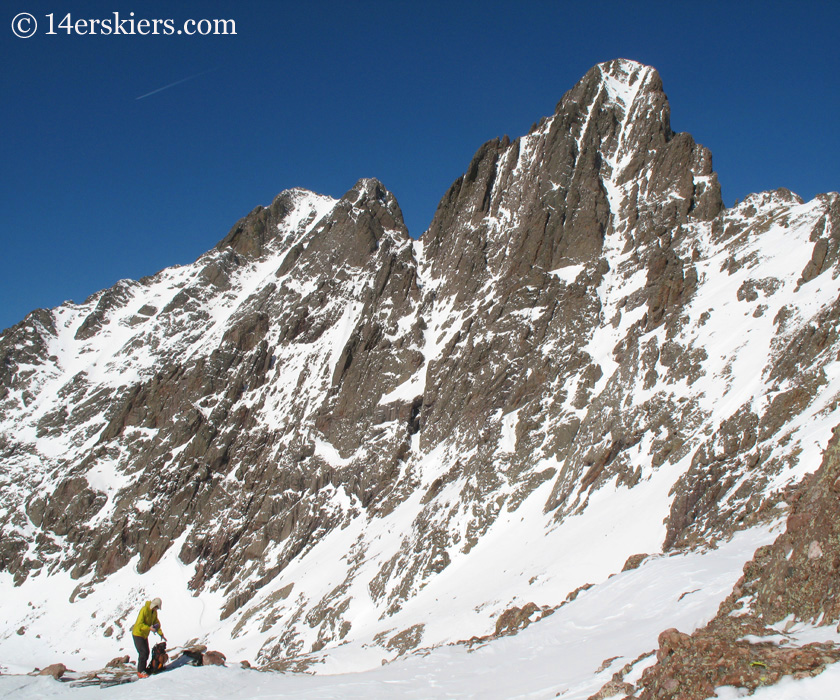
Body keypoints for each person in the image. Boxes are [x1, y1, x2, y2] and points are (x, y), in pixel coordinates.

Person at [131, 597, 166, 678]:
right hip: (137, 633)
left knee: (147, 652)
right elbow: (139, 624)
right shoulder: (144, 610)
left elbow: (156, 624)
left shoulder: (154, 613)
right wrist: (149, 628)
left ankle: (143, 669)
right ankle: (140, 672)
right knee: (143, 653)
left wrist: (161, 634)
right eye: (156, 607)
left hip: (144, 635)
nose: (156, 609)